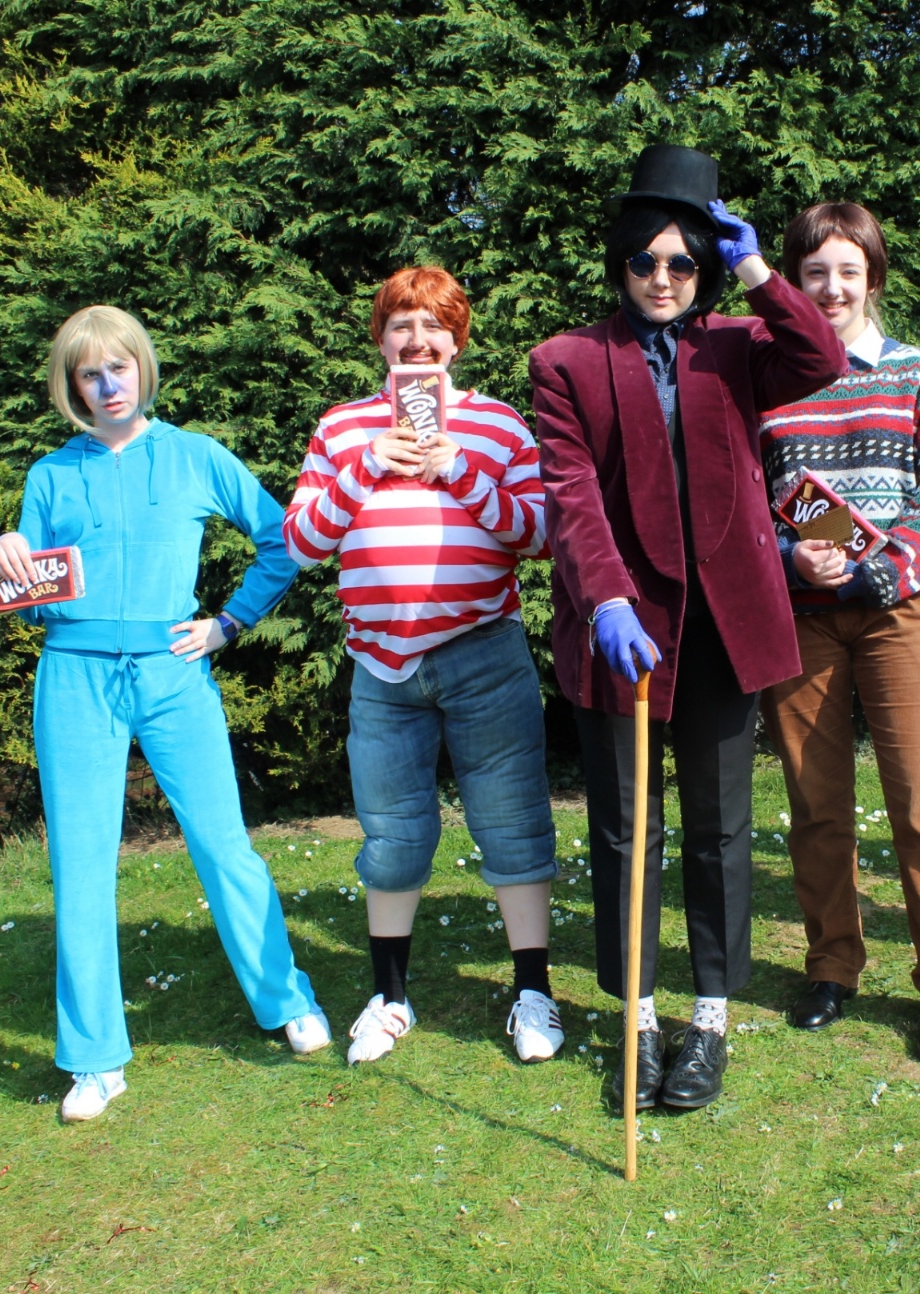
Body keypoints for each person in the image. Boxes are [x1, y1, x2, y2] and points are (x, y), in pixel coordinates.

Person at [531, 145, 847, 1111]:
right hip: (623, 629)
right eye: (645, 261)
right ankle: (637, 1017)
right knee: (627, 832)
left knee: (718, 828)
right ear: (620, 263)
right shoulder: (566, 361)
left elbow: (822, 358)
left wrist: (759, 272)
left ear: (704, 267)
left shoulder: (738, 344)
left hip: (722, 628)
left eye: (682, 262)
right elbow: (572, 493)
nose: (662, 279)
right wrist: (606, 598)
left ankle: (709, 1018)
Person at [0, 305, 330, 1123]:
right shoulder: (49, 475)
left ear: (142, 367)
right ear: (72, 386)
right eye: (90, 374)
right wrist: (9, 555)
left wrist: (229, 624)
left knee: (223, 843)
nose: (109, 386)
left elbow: (282, 539)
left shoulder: (196, 456)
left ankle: (286, 999)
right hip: (74, 676)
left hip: (173, 673)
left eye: (120, 367)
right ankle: (95, 1059)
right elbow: (29, 592)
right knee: (80, 863)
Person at [285, 267, 563, 1067]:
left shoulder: (498, 424)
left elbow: (540, 535)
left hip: (484, 654)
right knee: (392, 835)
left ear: (456, 340)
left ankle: (533, 993)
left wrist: (459, 470)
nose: (417, 339)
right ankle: (390, 998)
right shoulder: (342, 429)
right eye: (401, 324)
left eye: (433, 325)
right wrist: (366, 466)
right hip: (382, 666)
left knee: (513, 824)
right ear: (381, 339)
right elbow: (301, 543)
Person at [757, 201, 920, 1059]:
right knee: (816, 804)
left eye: (849, 271)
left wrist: (886, 569)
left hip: (905, 609)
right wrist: (790, 557)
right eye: (815, 273)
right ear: (792, 284)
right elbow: (748, 500)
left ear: (873, 278)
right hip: (805, 617)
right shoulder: (766, 382)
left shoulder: (917, 371)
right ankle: (831, 966)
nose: (833, 288)